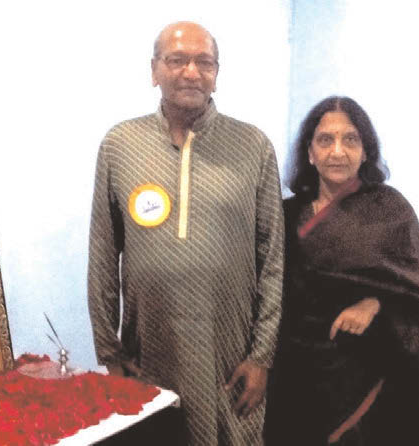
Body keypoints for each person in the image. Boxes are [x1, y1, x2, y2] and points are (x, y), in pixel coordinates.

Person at [88, 21, 284, 445]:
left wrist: (261, 357)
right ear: (154, 70)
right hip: (150, 353)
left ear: (217, 72)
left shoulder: (253, 146)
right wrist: (111, 354)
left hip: (230, 358)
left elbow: (273, 261)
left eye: (204, 62)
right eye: (177, 60)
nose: (191, 72)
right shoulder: (121, 144)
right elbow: (103, 254)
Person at [264, 96, 419, 445]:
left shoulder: (389, 209)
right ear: (309, 153)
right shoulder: (287, 213)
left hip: (366, 380)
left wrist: (374, 304)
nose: (337, 151)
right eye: (325, 140)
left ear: (366, 151)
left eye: (350, 139)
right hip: (292, 374)